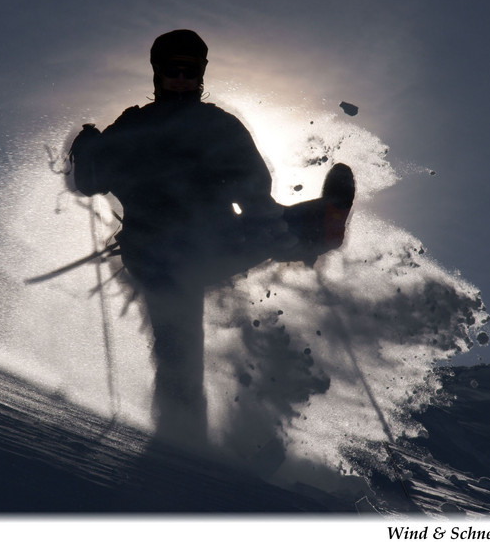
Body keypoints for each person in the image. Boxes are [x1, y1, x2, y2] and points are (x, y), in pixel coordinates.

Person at [68, 29, 355, 448]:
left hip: (209, 239)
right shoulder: (136, 124)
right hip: (156, 251)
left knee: (269, 226)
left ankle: (312, 226)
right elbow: (92, 182)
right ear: (158, 74)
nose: (181, 79)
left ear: (200, 76)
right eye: (173, 71)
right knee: (179, 346)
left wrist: (263, 218)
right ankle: (181, 439)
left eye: (190, 72)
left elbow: (252, 183)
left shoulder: (217, 125)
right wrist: (87, 151)